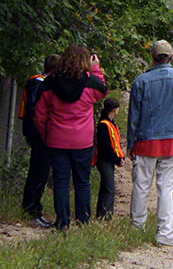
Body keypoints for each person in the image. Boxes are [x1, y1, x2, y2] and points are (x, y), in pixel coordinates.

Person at [128, 40, 173, 247]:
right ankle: (166, 232)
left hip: (147, 139)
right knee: (166, 186)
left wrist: (131, 143)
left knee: (141, 185)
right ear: (171, 57)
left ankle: (137, 226)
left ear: (153, 57)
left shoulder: (141, 81)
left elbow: (134, 117)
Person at [35, 44, 108, 229]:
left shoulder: (50, 83)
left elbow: (40, 114)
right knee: (82, 181)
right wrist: (96, 69)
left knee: (61, 181)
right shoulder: (90, 83)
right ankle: (83, 221)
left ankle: (62, 222)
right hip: (82, 141)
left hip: (56, 139)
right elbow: (103, 91)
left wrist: (46, 134)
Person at [19, 54, 60, 227]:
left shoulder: (41, 82)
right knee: (38, 171)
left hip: (39, 132)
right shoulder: (39, 82)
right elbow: (34, 109)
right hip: (38, 133)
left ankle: (35, 207)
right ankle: (31, 208)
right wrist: (43, 131)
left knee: (41, 171)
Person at [93, 97, 125, 219]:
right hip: (104, 160)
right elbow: (106, 147)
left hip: (108, 160)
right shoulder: (104, 125)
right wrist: (116, 159)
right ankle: (106, 215)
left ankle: (102, 214)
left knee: (106, 187)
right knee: (109, 189)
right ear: (114, 110)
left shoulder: (110, 123)